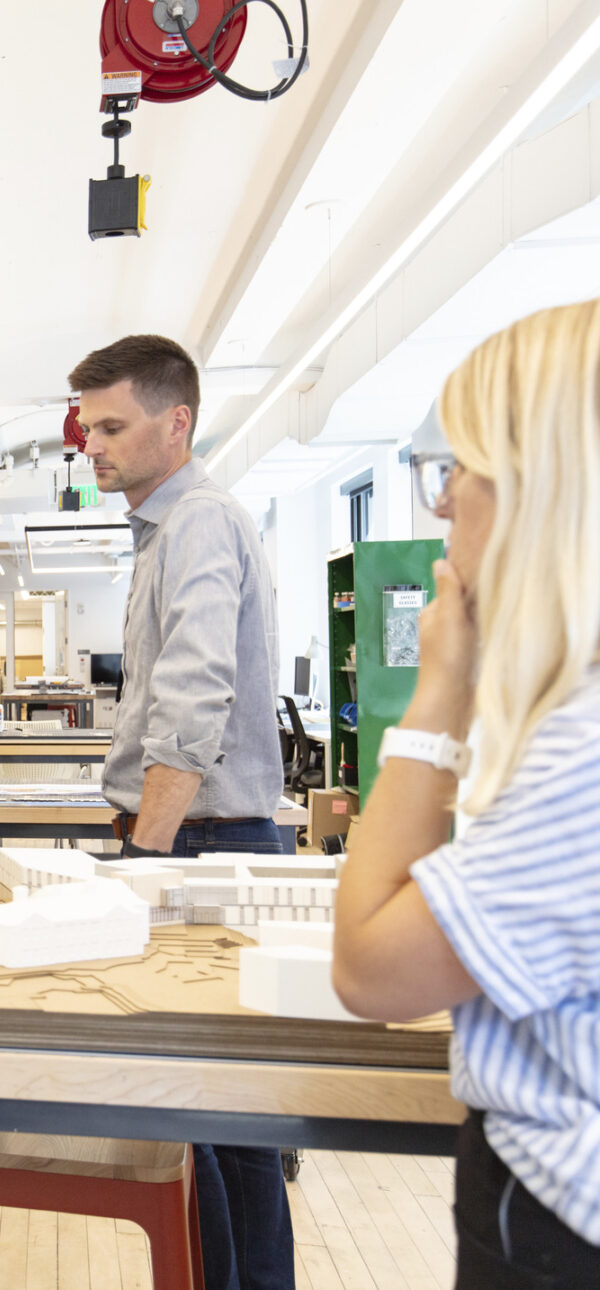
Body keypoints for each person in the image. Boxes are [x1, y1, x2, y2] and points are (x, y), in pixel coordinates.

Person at [333, 302, 600, 1289]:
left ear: (547, 490)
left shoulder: (584, 760)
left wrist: (439, 686)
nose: (444, 506)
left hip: (558, 1228)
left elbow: (372, 969)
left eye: (462, 472)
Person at [70, 334, 293, 1290]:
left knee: (219, 1122)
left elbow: (194, 698)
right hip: (196, 836)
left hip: (199, 841)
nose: (94, 446)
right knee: (218, 1121)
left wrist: (145, 850)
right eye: (89, 428)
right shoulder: (168, 530)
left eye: (114, 426)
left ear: (178, 421)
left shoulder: (198, 521)